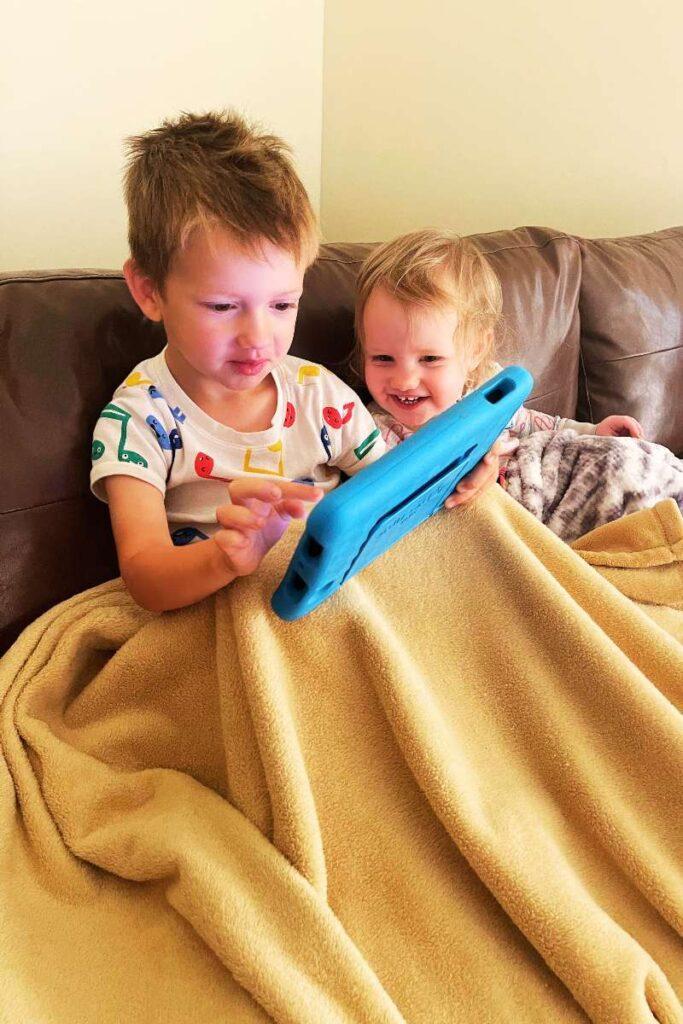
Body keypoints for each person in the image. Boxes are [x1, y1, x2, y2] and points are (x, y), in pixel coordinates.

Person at [91, 115, 499, 614]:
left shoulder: (318, 394)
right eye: (223, 307)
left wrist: (464, 470)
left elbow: (395, 492)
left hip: (336, 596)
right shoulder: (136, 422)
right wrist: (225, 559)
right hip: (230, 611)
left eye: (283, 305)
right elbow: (145, 579)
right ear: (150, 291)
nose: (259, 337)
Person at [353, 229, 643, 473]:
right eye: (382, 358)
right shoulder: (373, 434)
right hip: (480, 516)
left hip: (534, 486)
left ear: (476, 350)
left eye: (429, 359)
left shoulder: (487, 390)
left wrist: (593, 433)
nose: (404, 380)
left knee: (628, 465)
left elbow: (533, 424)